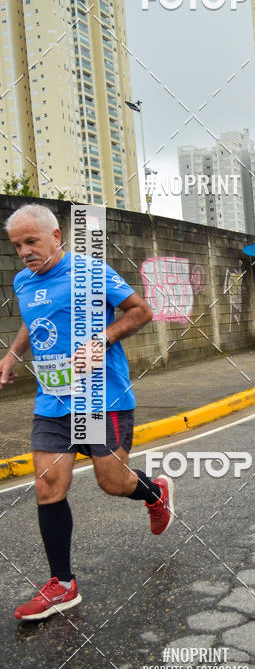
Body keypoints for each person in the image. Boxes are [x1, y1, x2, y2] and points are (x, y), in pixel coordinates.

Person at [0, 204, 174, 622]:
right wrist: (11, 354)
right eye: (17, 245)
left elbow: (140, 311)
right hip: (52, 402)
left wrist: (103, 339)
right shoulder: (23, 281)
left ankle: (155, 493)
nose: (24, 252)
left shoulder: (90, 272)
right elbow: (32, 320)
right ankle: (62, 584)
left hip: (100, 399)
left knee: (112, 482)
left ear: (56, 236)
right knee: (47, 487)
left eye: (32, 241)